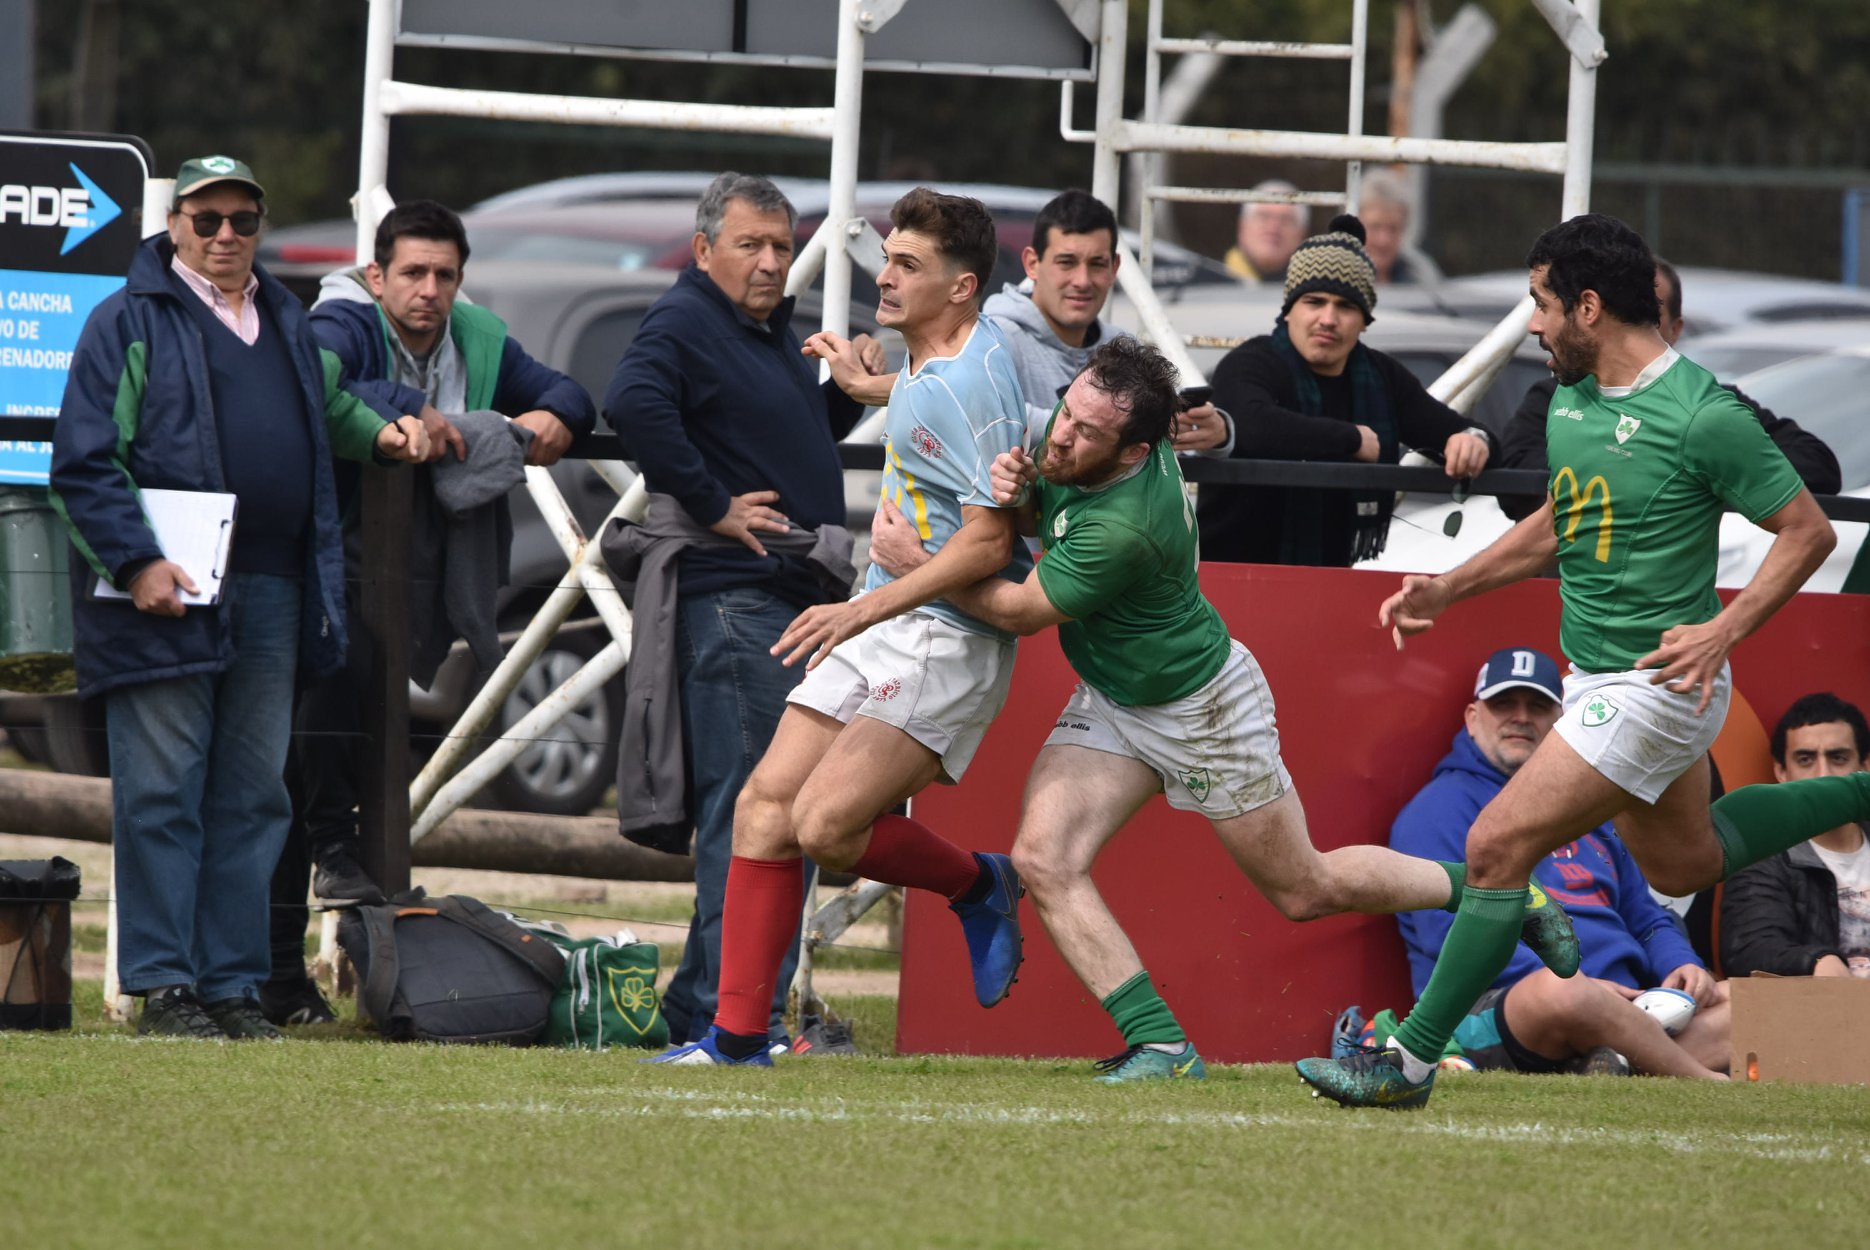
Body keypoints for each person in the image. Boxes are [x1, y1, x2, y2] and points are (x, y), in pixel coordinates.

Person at [865, 340, 1578, 1082]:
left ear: (1136, 449)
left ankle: (1497, 892)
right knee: (1045, 860)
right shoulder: (1093, 434)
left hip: (1200, 710)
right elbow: (1037, 475)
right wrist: (1018, 481)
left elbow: (1015, 610)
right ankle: (1163, 1047)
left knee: (1306, 888)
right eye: (1066, 413)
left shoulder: (1127, 525)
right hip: (1117, 696)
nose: (1062, 435)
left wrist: (920, 566)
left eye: (1085, 432)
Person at [1296, 212, 1861, 1111]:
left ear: (1588, 308)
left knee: (1493, 844)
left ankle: (1403, 1065)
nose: (1532, 324)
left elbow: (1807, 531)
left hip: (1656, 687)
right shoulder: (1570, 401)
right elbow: (1564, 523)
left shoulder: (1702, 414)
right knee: (1684, 865)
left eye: (1541, 304)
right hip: (1603, 680)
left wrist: (1722, 631)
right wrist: (1449, 588)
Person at [645, 187, 1032, 1066]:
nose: (884, 279)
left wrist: (865, 600)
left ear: (962, 286)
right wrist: (872, 385)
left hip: (943, 639)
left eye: (907, 266)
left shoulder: (962, 381)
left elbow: (989, 545)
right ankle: (736, 1038)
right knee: (761, 809)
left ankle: (980, 883)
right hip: (888, 618)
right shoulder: (963, 355)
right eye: (887, 258)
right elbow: (951, 400)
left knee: (825, 830)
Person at [47, 155, 429, 1040]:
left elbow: (330, 408)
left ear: (260, 226)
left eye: (242, 221)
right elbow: (82, 459)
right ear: (174, 224)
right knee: (162, 788)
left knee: (255, 794)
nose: (225, 236)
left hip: (276, 586)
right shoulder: (125, 321)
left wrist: (386, 435)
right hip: (166, 590)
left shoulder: (287, 320)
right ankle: (164, 983)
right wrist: (137, 562)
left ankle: (230, 985)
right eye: (206, 219)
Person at [257, 199, 595, 1025]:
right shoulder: (345, 317)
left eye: (445, 275)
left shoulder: (476, 335)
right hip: (316, 550)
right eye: (411, 272)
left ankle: (290, 976)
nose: (428, 290)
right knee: (312, 735)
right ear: (377, 277)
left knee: (333, 748)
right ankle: (290, 940)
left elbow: (564, 390)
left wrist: (559, 415)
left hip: (404, 569)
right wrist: (404, 408)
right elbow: (311, 373)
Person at [603, 172, 885, 1052]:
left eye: (779, 245)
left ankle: (721, 1011)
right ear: (703, 252)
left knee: (773, 811)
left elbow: (786, 435)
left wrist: (843, 391)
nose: (770, 262)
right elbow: (631, 404)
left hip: (779, 600)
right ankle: (725, 1018)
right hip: (734, 598)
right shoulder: (687, 318)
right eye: (750, 246)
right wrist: (713, 500)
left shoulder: (763, 331)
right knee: (759, 813)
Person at [1385, 646, 1730, 1080]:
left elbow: (1646, 917)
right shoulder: (1436, 809)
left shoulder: (1591, 805)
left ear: (1561, 722)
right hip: (1506, 1003)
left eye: (1538, 705)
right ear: (1473, 718)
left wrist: (1681, 964)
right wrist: (1585, 986)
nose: (1521, 717)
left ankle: (1615, 1061)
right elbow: (1447, 936)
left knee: (1744, 1000)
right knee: (1563, 994)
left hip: (1631, 999)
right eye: (1504, 704)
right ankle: (1697, 1076)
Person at [1195, 215, 1493, 567]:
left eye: (1346, 306)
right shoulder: (1251, 362)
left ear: (1365, 320)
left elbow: (1462, 434)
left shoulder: (1381, 377)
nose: (1328, 318)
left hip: (1332, 581)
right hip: (1230, 579)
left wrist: (1472, 441)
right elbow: (1254, 424)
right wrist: (1352, 439)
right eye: (1314, 302)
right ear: (1289, 310)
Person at [1497, 258, 1841, 520]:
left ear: (1675, 329)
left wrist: (1701, 475)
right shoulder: (1559, 394)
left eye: (1649, 316)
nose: (1636, 328)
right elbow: (1516, 490)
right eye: (1627, 314)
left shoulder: (1705, 408)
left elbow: (1817, 470)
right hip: (1558, 594)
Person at [981, 187, 1229, 455]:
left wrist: (1215, 433)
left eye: (1097, 264)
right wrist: (1119, 429)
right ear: (1032, 264)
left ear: (1115, 268)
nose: (1082, 281)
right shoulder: (994, 338)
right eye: (1066, 262)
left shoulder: (1124, 346)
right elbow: (992, 420)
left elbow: (1157, 450)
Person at [1721, 693, 1870, 978]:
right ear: (1781, 772)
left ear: (1864, 767)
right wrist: (1816, 960)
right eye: (1806, 759)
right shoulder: (1762, 855)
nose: (1824, 774)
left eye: (1838, 757)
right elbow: (1748, 949)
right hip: (1822, 1014)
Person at [1357, 169, 1437, 285]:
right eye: (1374, 227)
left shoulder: (1420, 276)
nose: (1383, 240)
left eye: (1393, 229)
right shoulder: (1332, 277)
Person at [1223, 180, 1309, 284]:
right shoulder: (1206, 284)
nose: (1273, 228)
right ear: (1242, 227)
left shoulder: (1314, 290)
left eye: (1285, 220)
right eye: (1264, 216)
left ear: (1302, 235)